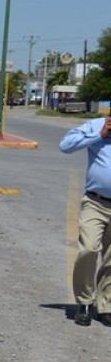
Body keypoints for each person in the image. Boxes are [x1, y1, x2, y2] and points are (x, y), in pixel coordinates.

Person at [60, 113, 111, 326]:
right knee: (88, 249)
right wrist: (99, 135)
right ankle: (84, 302)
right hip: (95, 202)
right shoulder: (96, 125)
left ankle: (105, 304)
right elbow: (66, 145)